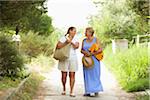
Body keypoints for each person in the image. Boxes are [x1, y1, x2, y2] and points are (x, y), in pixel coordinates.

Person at [56, 27, 79, 97]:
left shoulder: (76, 38)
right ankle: (64, 89)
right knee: (64, 75)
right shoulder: (63, 38)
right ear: (69, 31)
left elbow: (76, 46)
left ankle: (72, 91)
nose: (74, 33)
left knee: (72, 74)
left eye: (75, 31)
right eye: (73, 31)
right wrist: (66, 42)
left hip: (73, 58)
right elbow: (58, 46)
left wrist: (71, 42)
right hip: (64, 58)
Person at [81, 27, 103, 97]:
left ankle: (96, 90)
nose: (85, 33)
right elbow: (81, 50)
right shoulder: (84, 40)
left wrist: (91, 54)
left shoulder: (96, 39)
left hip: (95, 59)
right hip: (86, 60)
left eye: (86, 32)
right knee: (87, 75)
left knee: (95, 75)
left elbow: (100, 50)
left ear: (90, 33)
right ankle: (88, 91)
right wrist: (85, 52)